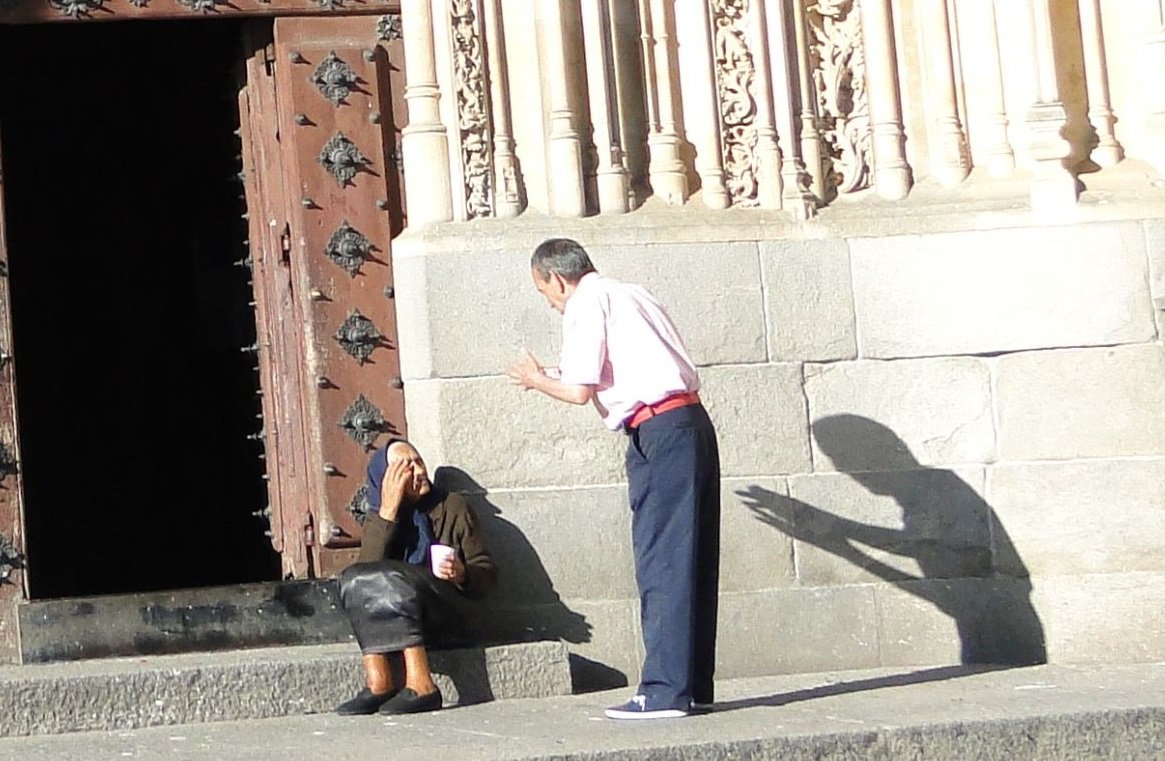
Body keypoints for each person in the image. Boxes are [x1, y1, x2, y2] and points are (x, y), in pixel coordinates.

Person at [506, 238, 721, 720]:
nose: (552, 304)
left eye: (547, 295)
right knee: (693, 557)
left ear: (557, 279)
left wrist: (537, 379)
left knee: (662, 561)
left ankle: (664, 691)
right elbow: (618, 367)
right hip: (690, 423)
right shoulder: (632, 293)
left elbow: (580, 391)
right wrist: (557, 372)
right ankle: (692, 685)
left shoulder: (584, 302)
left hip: (658, 433)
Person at [335, 438, 497, 716]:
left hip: (447, 618)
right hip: (394, 621)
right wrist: (387, 512)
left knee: (395, 577)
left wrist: (462, 573)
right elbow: (365, 575)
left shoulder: (452, 506)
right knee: (353, 577)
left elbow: (487, 575)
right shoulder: (379, 519)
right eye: (405, 468)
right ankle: (379, 682)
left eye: (419, 462)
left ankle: (422, 685)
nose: (419, 471)